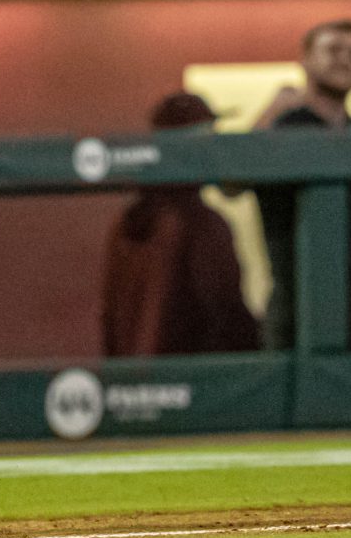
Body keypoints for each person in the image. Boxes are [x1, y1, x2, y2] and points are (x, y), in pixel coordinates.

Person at [251, 20, 351, 351]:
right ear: (306, 60)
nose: (345, 60)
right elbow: (231, 180)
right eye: (333, 50)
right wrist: (268, 115)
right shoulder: (284, 129)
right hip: (297, 303)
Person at [99, 91, 258, 356]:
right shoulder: (203, 225)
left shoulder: (126, 222)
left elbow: (110, 319)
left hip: (136, 384)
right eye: (207, 139)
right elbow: (226, 317)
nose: (214, 150)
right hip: (195, 383)